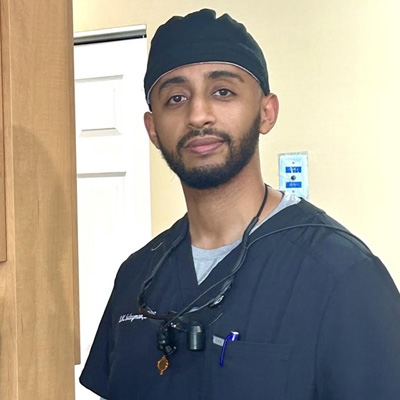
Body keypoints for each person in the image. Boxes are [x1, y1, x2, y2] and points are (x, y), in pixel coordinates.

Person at [80, 8, 400, 400]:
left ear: (266, 112)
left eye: (223, 91)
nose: (198, 114)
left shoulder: (343, 276)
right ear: (152, 129)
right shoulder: (136, 278)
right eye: (176, 98)